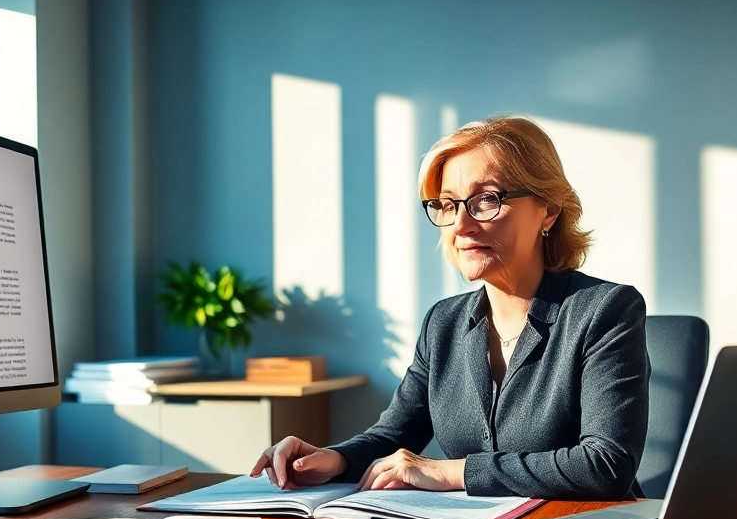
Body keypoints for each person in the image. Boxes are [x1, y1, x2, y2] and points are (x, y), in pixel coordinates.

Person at [250, 115, 649, 499]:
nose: (461, 224)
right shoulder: (444, 322)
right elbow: (393, 437)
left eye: (486, 200)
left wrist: (448, 471)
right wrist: (333, 459)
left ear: (548, 209)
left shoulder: (606, 310)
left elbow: (606, 465)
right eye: (447, 205)